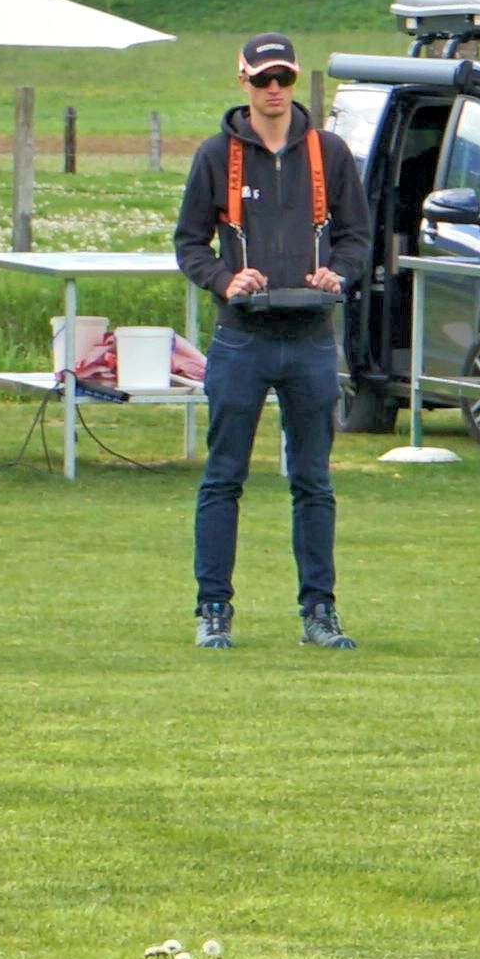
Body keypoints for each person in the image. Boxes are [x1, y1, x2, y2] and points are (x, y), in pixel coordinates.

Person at [175, 32, 373, 650]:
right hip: (242, 341)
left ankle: (319, 611)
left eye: (283, 77)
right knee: (223, 477)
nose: (274, 88)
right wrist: (225, 278)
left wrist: (338, 274)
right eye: (263, 78)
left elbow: (358, 238)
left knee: (313, 480)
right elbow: (189, 244)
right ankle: (213, 608)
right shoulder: (215, 156)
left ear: (294, 80)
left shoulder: (330, 153)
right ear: (243, 81)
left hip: (311, 339)